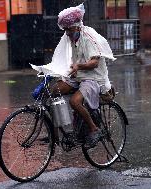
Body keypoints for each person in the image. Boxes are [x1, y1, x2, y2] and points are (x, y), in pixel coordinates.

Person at [31, 3, 116, 149]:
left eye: (69, 29)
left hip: (94, 77)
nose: (67, 33)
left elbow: (95, 62)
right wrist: (51, 70)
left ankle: (94, 129)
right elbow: (61, 58)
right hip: (78, 76)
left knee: (75, 102)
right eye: (65, 30)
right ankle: (55, 134)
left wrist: (79, 66)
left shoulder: (88, 36)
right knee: (51, 92)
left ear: (77, 26)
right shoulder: (70, 37)